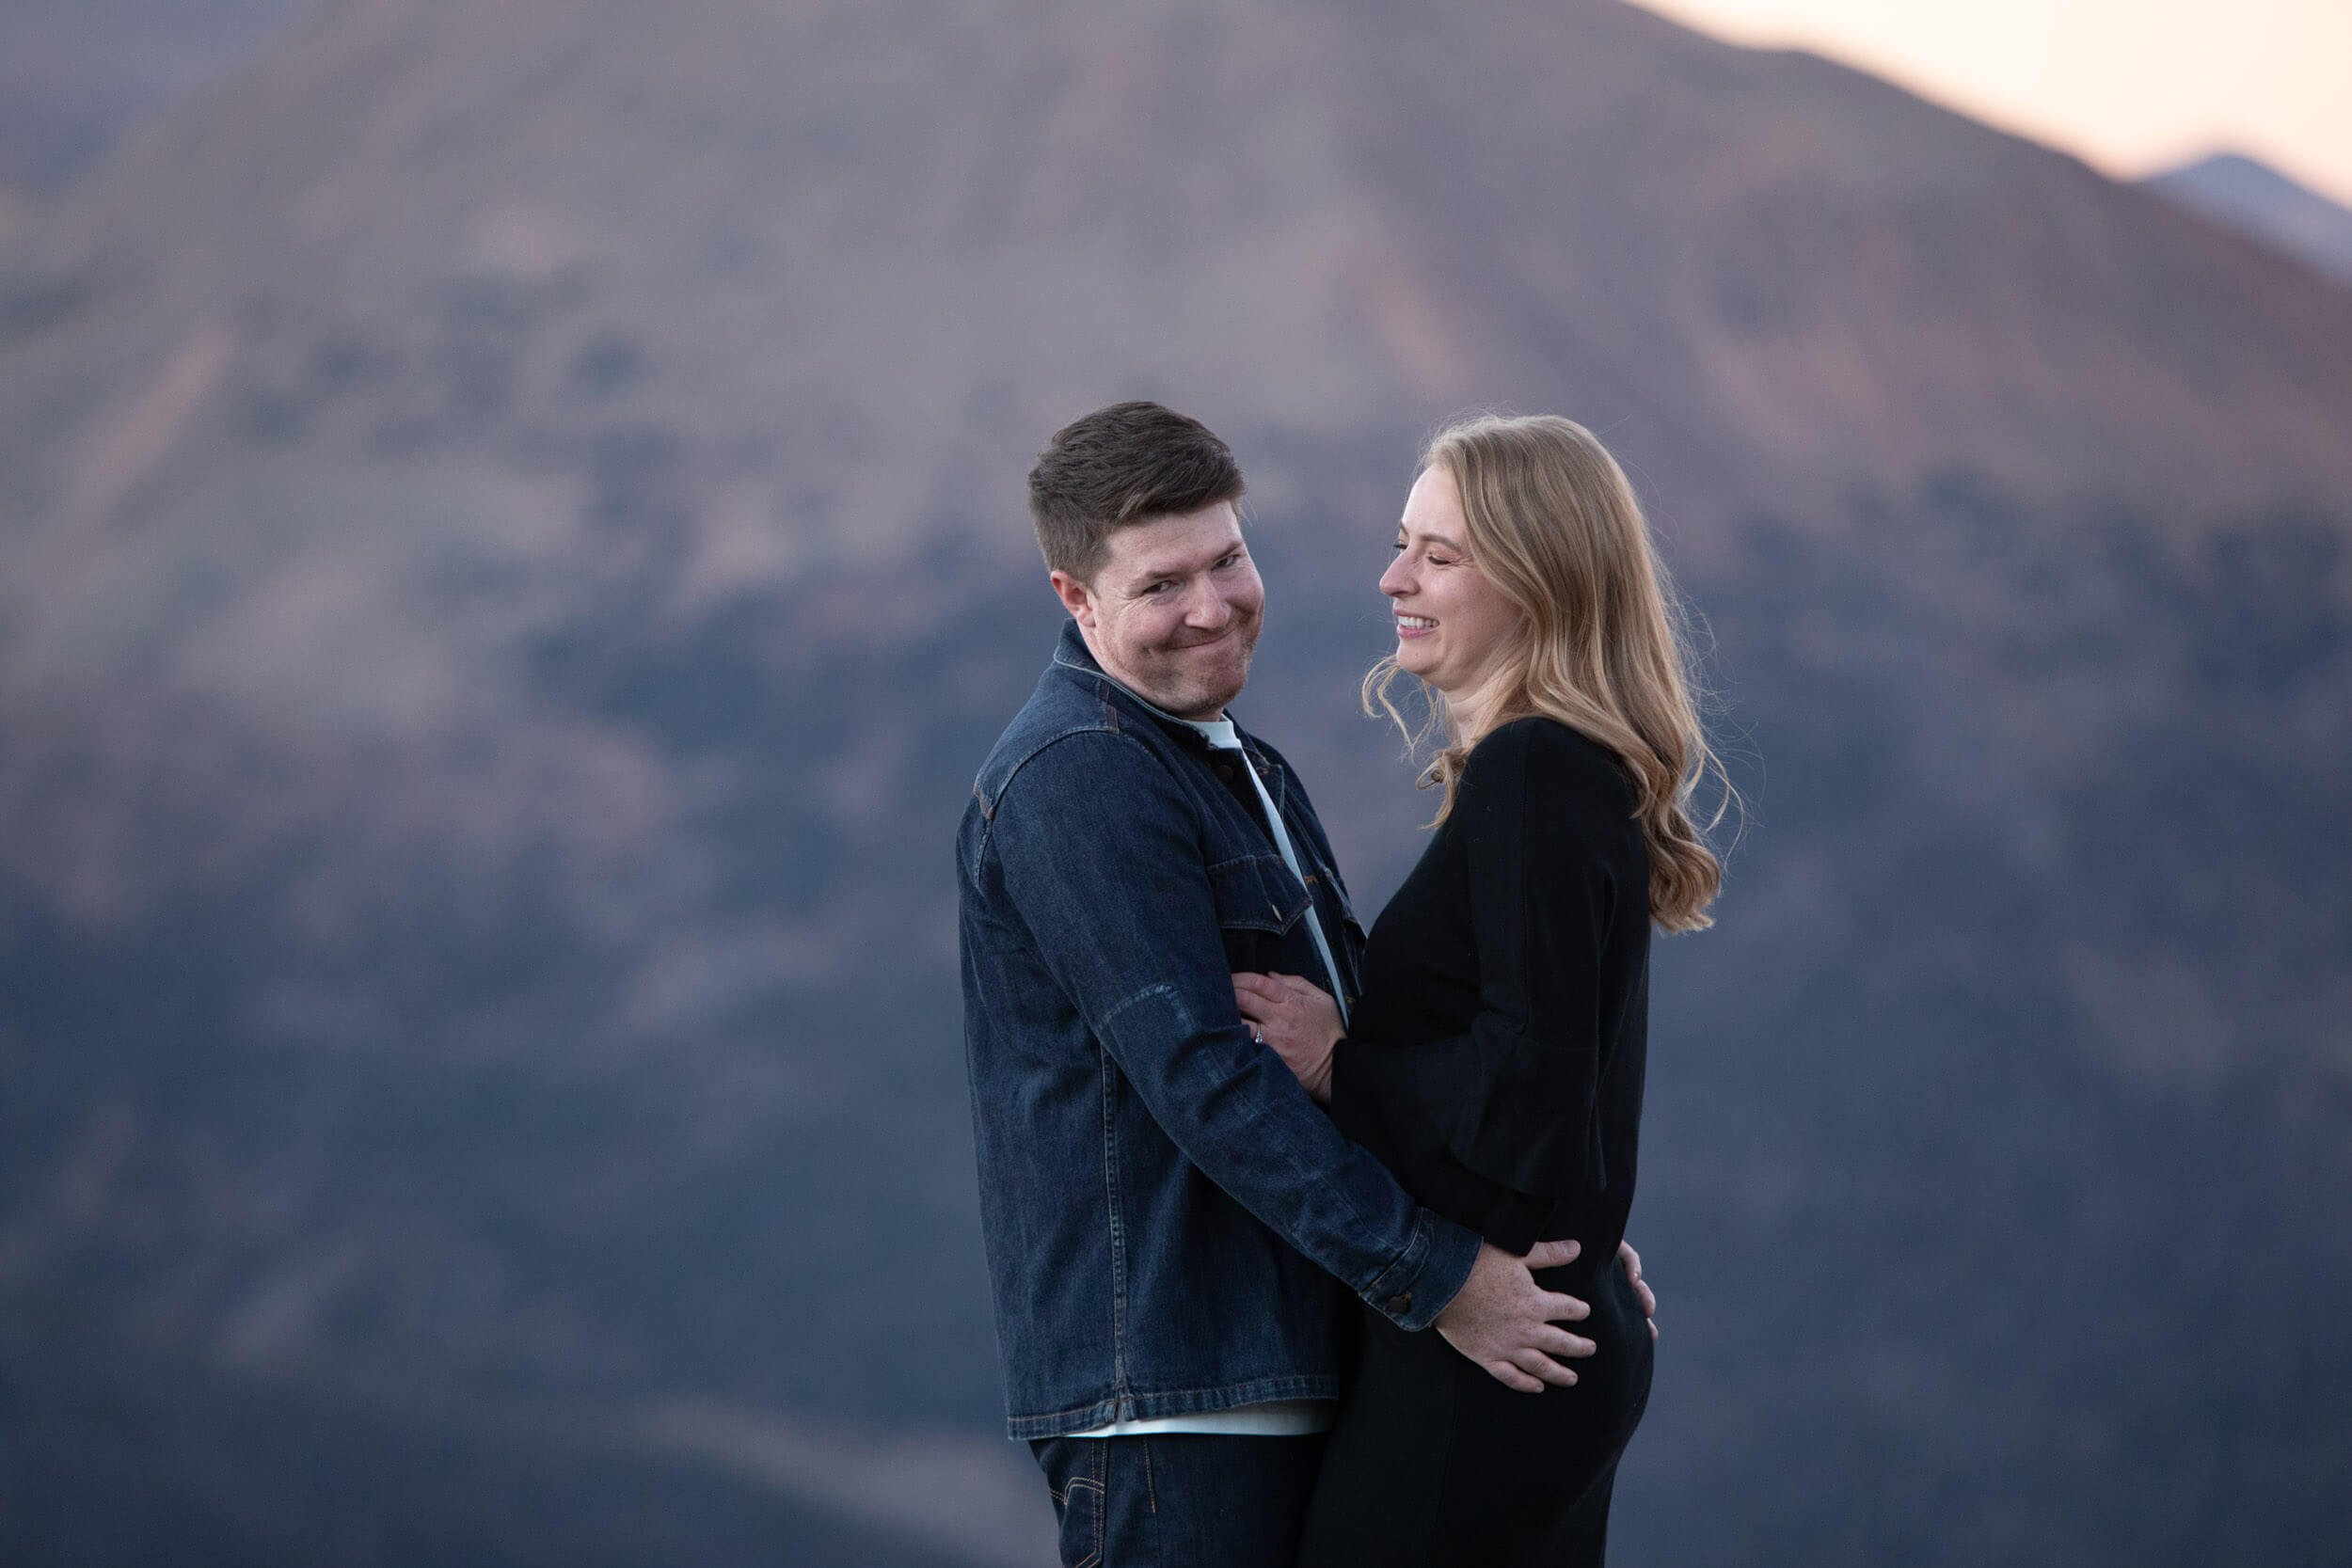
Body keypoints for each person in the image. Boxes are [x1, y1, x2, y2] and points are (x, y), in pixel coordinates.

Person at [957, 402, 1655, 1568]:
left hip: (1301, 1359)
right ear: (1075, 599)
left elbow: (1472, 1040)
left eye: (1227, 558)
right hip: (1185, 1394)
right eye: (1160, 583)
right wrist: (1444, 1274)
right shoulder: (1078, 775)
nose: (1212, 604)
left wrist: (1546, 1228)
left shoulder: (1235, 766)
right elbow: (1211, 1078)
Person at [1236, 414, 1724, 1566]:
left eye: (1438, 555)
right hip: (1541, 1333)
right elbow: (1565, 1072)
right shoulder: (1563, 770)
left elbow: (1525, 1084)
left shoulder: (1533, 771)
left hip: (1489, 1360)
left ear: (1540, 577)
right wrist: (1587, 1231)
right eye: (1403, 542)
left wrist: (1332, 1065)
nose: (1391, 576)